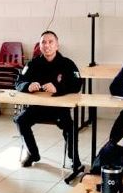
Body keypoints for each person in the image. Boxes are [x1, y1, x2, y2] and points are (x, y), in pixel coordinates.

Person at [14, 30, 82, 167]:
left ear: (57, 45)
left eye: (51, 42)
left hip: (59, 109)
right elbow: (18, 83)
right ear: (40, 46)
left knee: (70, 126)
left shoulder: (67, 64)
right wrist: (28, 86)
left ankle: (73, 157)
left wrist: (58, 87)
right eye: (43, 42)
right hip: (36, 108)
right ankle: (33, 153)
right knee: (21, 120)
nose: (47, 45)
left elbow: (77, 84)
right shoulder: (32, 64)